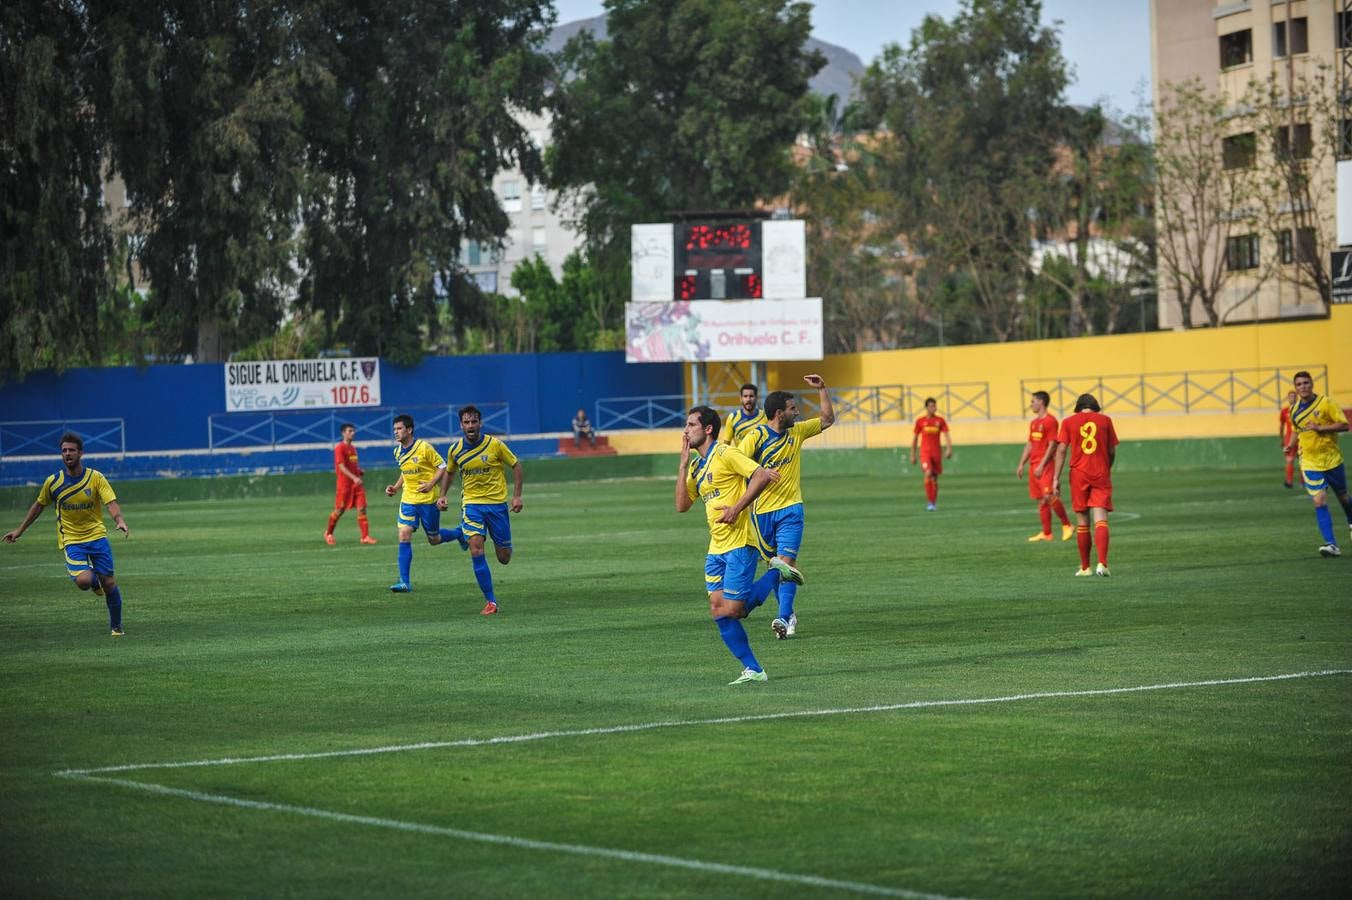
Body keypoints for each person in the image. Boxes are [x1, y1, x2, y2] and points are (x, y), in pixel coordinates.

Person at [677, 405, 781, 684]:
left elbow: (759, 475)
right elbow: (681, 505)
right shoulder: (697, 466)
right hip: (716, 548)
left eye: (690, 425)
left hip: (739, 543)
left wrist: (736, 509)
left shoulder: (725, 452)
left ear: (708, 429)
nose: (685, 430)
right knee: (718, 611)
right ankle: (754, 670)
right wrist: (683, 465)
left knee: (734, 610)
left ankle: (776, 573)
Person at [3, 432, 130, 635]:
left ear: (80, 453)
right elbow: (38, 506)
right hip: (72, 540)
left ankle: (116, 626)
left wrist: (120, 521)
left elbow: (110, 503)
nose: (67, 454)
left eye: (71, 450)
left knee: (109, 583)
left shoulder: (95, 478)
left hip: (97, 536)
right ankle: (94, 580)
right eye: (64, 451)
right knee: (84, 582)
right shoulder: (53, 482)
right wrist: (19, 530)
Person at [738, 374, 834, 640]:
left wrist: (823, 389)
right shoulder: (755, 437)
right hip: (761, 514)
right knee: (774, 567)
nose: (798, 412)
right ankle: (788, 613)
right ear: (779, 413)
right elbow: (735, 465)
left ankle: (782, 616)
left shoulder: (798, 432)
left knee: (786, 563)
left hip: (791, 509)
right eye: (793, 409)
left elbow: (827, 419)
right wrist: (758, 472)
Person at [426, 405, 524, 614]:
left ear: (480, 423)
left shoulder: (495, 445)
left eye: (474, 422)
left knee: (504, 557)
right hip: (471, 505)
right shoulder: (455, 450)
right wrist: (442, 495)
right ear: (461, 425)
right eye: (466, 422)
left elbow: (516, 465)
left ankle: (464, 533)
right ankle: (491, 602)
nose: (470, 426)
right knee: (476, 548)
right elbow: (450, 472)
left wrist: (516, 496)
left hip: (497, 505)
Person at [1038, 393, 1118, 577]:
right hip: (1100, 472)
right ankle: (1102, 564)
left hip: (1078, 474)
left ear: (1078, 407)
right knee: (1101, 519)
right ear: (1095, 406)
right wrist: (1107, 466)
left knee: (1082, 522)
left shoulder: (1068, 422)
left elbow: (1061, 450)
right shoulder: (1105, 420)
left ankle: (1085, 567)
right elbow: (1112, 450)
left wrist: (1056, 478)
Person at [1286, 371, 1351, 558]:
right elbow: (1295, 430)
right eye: (1299, 384)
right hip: (1309, 461)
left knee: (1343, 497)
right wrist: (1290, 445)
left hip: (1332, 459)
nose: (1303, 387)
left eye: (1306, 383)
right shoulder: (1293, 410)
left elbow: (1344, 425)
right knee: (1319, 499)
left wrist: (1320, 428)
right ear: (1296, 388)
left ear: (1312, 384)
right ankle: (1332, 544)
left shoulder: (1326, 403)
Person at [384, 413, 449, 592]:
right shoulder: (397, 451)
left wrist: (430, 484)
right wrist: (396, 488)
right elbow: (405, 472)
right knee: (404, 534)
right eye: (394, 429)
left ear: (409, 429)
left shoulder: (423, 447)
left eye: (399, 429)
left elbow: (442, 466)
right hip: (409, 499)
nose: (396, 432)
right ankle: (404, 582)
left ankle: (459, 534)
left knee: (434, 539)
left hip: (428, 500)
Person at [1015, 390, 1073, 542]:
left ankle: (1067, 525)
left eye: (1033, 401)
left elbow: (1053, 444)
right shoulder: (1034, 423)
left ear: (1041, 402)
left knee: (1049, 496)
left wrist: (1041, 465)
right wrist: (1022, 463)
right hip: (1034, 466)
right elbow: (1030, 444)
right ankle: (1047, 533)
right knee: (1040, 499)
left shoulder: (1050, 421)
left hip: (1045, 465)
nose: (1031, 404)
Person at [325, 423, 378, 545]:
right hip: (344, 485)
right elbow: (341, 466)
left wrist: (359, 471)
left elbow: (351, 465)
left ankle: (365, 537)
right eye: (350, 431)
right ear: (343, 433)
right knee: (339, 510)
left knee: (362, 508)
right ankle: (328, 533)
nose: (352, 433)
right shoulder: (340, 448)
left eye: (353, 431)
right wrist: (354, 477)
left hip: (357, 485)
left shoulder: (353, 449)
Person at [910, 397, 953, 511]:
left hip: (936, 453)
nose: (933, 408)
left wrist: (949, 449)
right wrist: (913, 454)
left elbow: (946, 435)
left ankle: (933, 503)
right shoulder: (920, 422)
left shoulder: (940, 421)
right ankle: (930, 503)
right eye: (931, 406)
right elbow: (915, 438)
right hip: (925, 453)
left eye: (934, 406)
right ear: (926, 408)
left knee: (935, 478)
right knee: (928, 473)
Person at [1279, 390, 1298, 489]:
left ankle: (1304, 482)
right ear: (1288, 398)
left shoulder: (1302, 409)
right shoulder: (1285, 411)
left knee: (1304, 461)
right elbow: (1282, 426)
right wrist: (1281, 439)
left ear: (1297, 397)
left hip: (1302, 438)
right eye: (1291, 397)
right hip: (1289, 438)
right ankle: (1289, 481)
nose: (1293, 398)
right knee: (1290, 459)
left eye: (1294, 396)